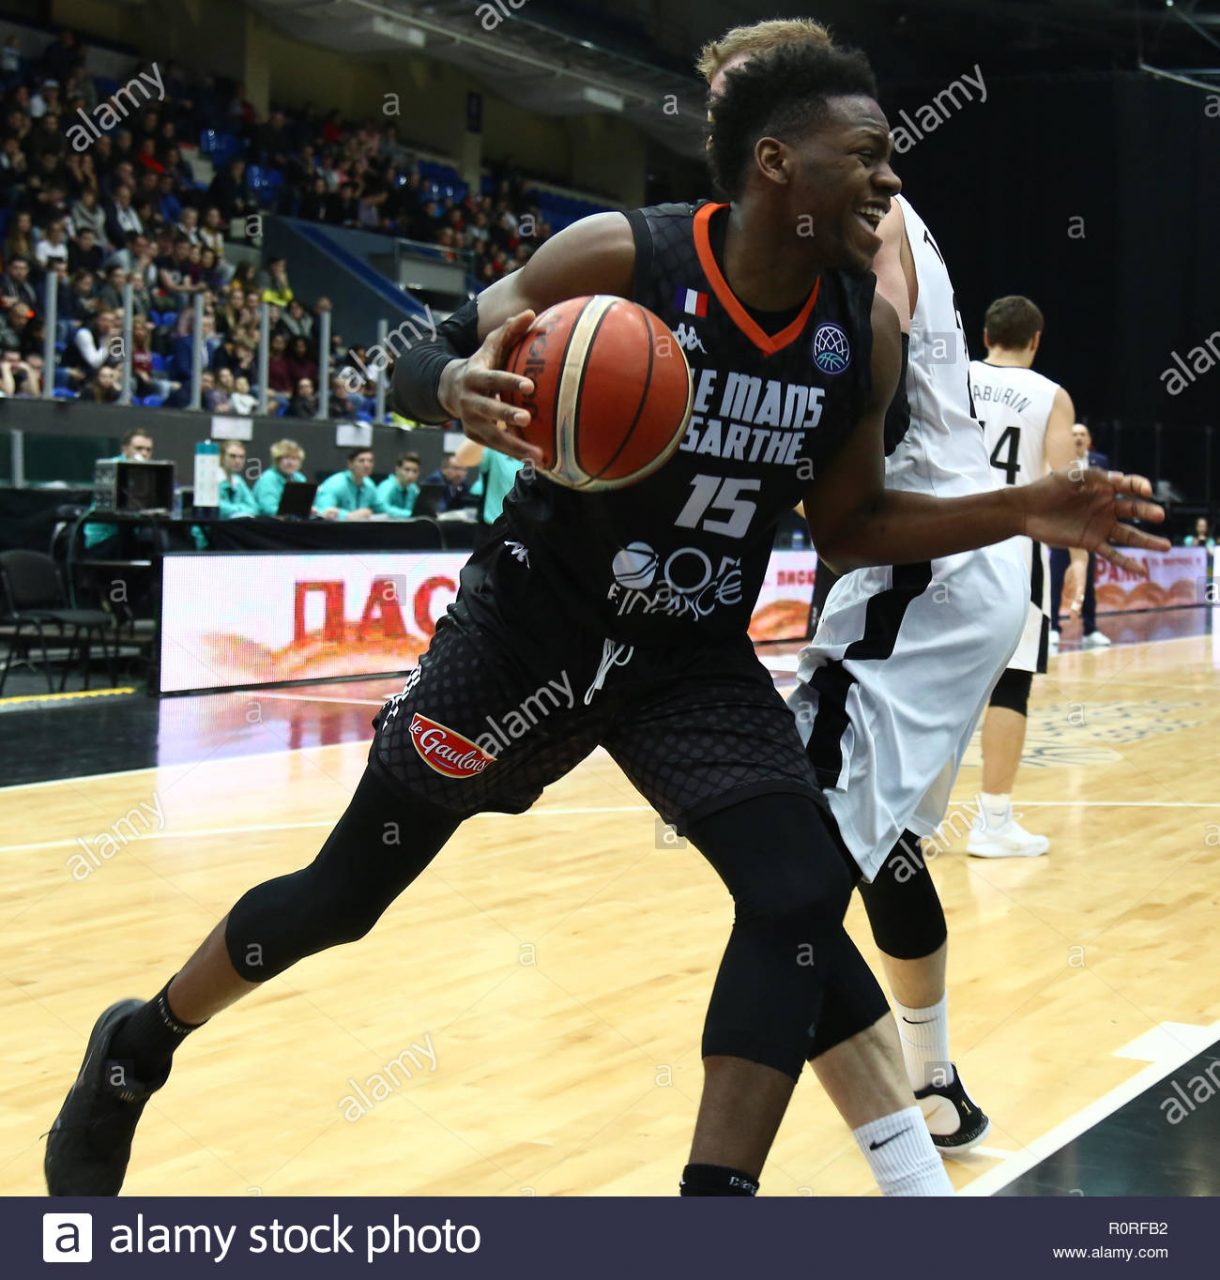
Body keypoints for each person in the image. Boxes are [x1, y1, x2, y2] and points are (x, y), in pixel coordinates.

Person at [45, 40, 1165, 1201]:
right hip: (530, 626)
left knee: (794, 886)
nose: (889, 183)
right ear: (775, 165)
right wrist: (450, 390)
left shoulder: (857, 338)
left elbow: (849, 526)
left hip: (684, 658)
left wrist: (1023, 507)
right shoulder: (622, 257)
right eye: (867, 157)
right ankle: (139, 1046)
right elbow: (416, 351)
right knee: (344, 897)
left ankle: (708, 1205)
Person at [968, 297, 1085, 857]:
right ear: (1035, 339)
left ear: (984, 334)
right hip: (1013, 554)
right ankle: (992, 821)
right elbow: (1069, 491)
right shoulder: (1050, 395)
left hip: (938, 540)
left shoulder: (951, 378)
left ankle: (904, 820)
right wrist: (1079, 563)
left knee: (925, 681)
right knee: (1010, 684)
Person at [1048, 423, 1111, 647]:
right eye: (1073, 434)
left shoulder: (1100, 462)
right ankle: (1053, 628)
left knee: (1088, 584)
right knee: (1055, 582)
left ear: (1089, 439)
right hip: (1061, 532)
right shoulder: (1056, 460)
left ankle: (1090, 630)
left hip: (1087, 534)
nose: (1077, 437)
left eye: (1082, 434)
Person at [81, 427, 154, 552]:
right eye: (139, 448)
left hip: (130, 534)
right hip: (103, 539)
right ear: (125, 449)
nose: (144, 454)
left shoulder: (152, 472)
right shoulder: (111, 467)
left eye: (148, 450)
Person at [454, 439, 523, 547]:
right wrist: (491, 427)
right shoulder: (496, 447)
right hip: (493, 530)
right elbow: (462, 458)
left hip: (528, 531)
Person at [314, 446, 378, 520]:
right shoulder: (336, 483)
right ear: (350, 464)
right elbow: (321, 510)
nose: (367, 465)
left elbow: (380, 507)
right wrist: (348, 515)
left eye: (370, 461)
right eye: (361, 461)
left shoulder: (369, 484)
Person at [251, 438, 308, 516]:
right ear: (277, 460)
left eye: (294, 458)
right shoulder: (268, 479)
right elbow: (268, 508)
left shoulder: (299, 478)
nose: (290, 463)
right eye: (286, 458)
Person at [216, 441, 258, 518]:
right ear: (222, 457)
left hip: (234, 526)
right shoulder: (212, 479)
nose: (238, 461)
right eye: (232, 456)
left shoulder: (238, 481)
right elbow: (219, 508)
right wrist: (242, 509)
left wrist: (235, 509)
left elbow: (254, 508)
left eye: (241, 457)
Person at [374, 451, 421, 518]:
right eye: (407, 470)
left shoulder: (413, 489)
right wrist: (410, 514)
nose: (411, 475)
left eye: (415, 471)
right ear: (397, 469)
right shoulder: (387, 486)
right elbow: (381, 507)